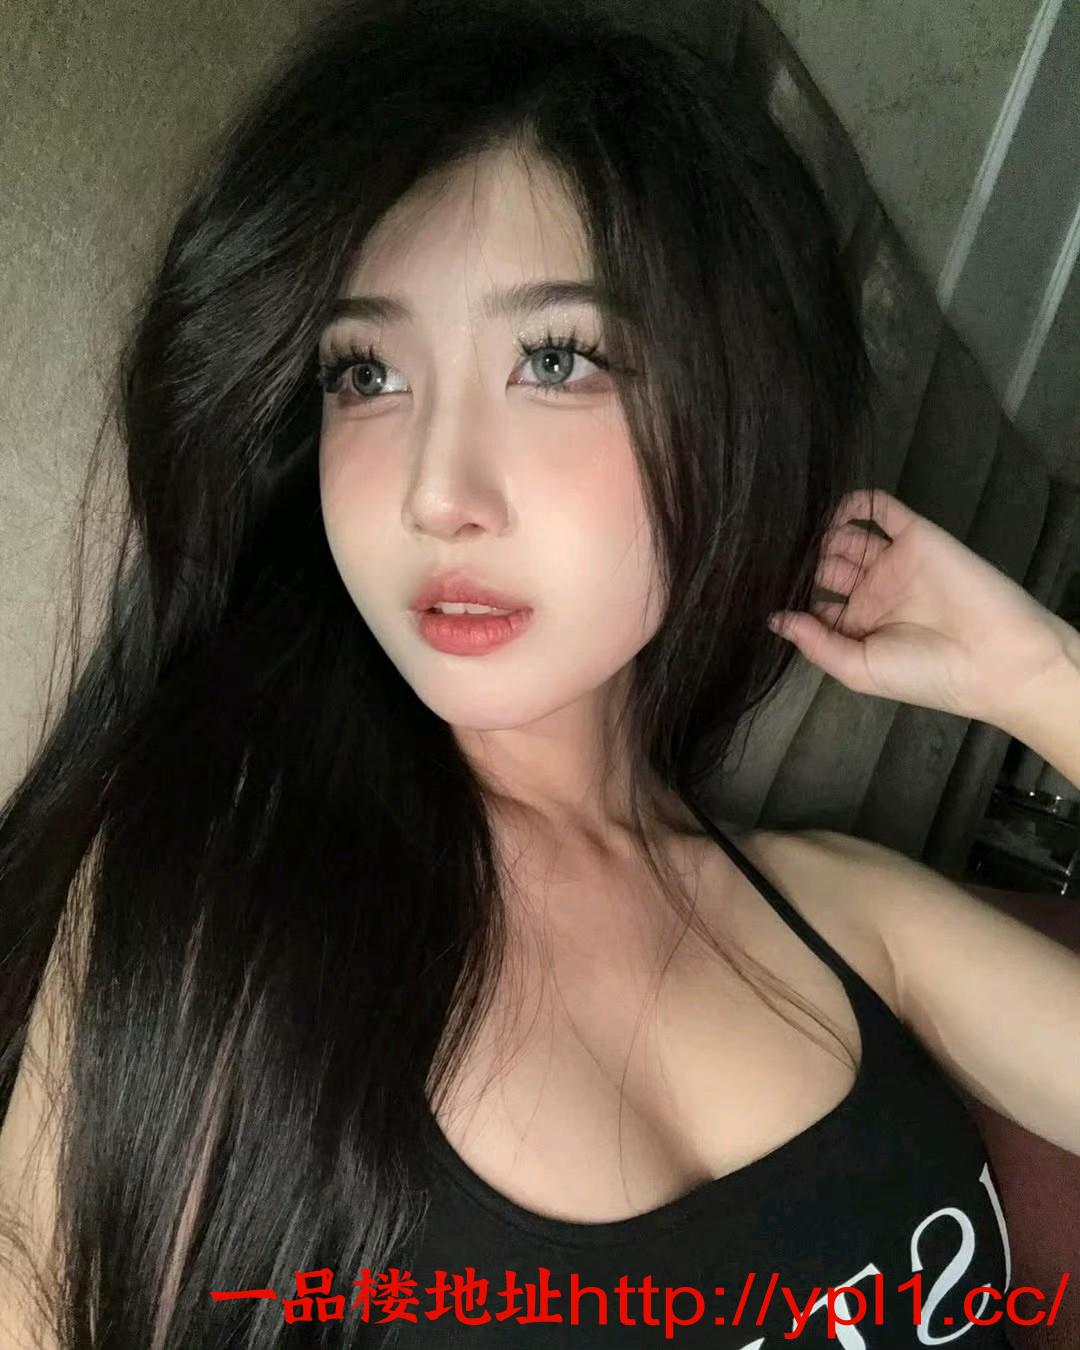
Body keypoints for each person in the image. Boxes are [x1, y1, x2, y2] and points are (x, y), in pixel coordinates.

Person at [1, 0, 1078, 1346]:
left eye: (553, 358)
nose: (436, 492)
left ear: (730, 407)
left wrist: (1040, 674)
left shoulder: (844, 914)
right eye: (366, 373)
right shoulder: (225, 892)